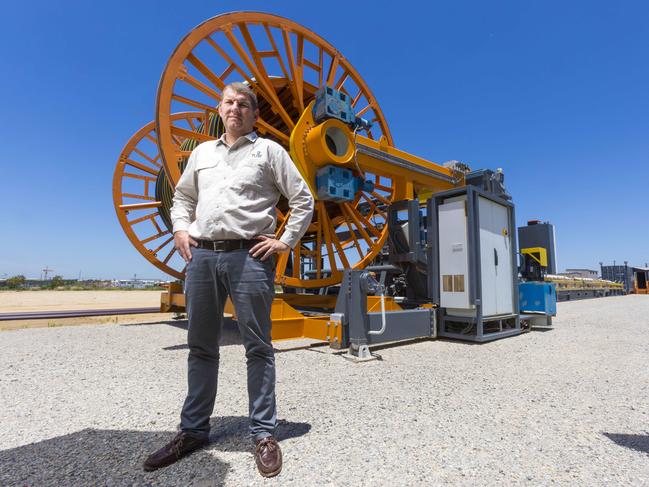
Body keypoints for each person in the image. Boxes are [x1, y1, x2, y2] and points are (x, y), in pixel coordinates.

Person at [143, 82, 314, 478]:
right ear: (220, 110)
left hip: (249, 257)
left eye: (244, 104)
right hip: (202, 257)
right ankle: (193, 431)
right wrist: (181, 230)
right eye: (229, 102)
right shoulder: (202, 154)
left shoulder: (269, 151)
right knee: (200, 346)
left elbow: (303, 198)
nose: (235, 108)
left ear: (255, 115)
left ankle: (264, 434)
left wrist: (284, 240)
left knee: (258, 347)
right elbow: (182, 198)